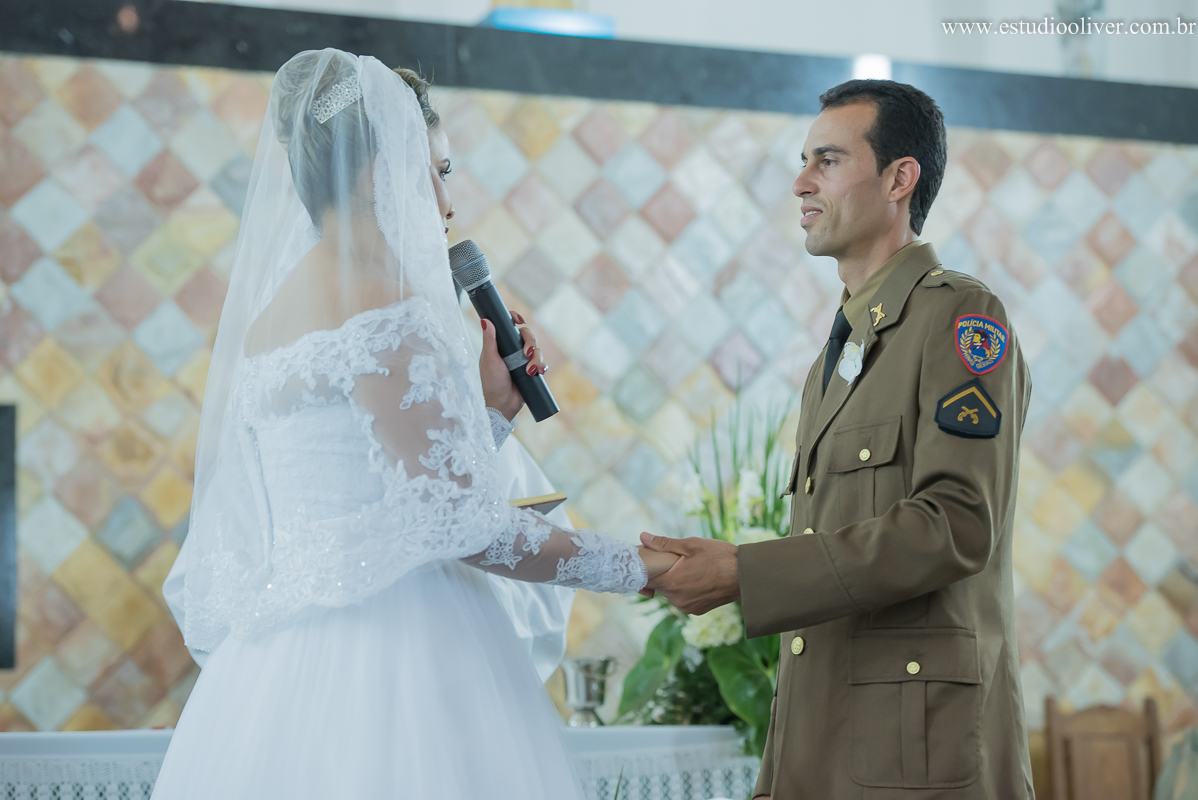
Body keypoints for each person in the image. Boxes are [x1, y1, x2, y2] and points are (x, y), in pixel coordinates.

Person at [151, 49, 676, 799]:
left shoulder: (270, 319)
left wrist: (490, 414)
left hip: (275, 668)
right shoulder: (385, 307)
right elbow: (465, 526)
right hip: (399, 654)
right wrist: (643, 567)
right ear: (377, 173)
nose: (447, 200)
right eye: (436, 170)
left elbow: (388, 495)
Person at [641, 80, 1035, 799]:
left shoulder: (959, 317)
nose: (801, 183)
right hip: (824, 747)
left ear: (899, 178)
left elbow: (956, 526)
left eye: (827, 160)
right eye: (804, 162)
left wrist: (746, 573)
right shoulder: (844, 349)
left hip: (917, 759)